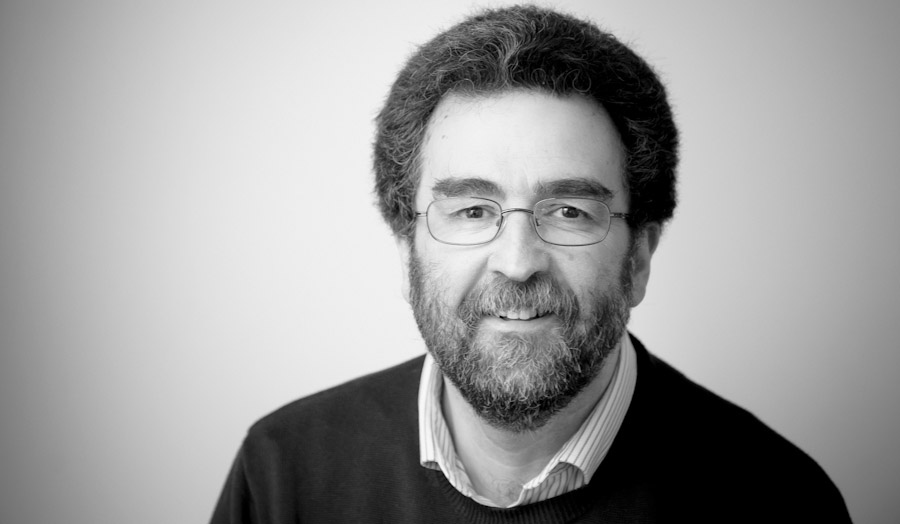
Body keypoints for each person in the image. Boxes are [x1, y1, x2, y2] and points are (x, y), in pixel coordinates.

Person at [210, 5, 851, 522]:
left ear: (639, 257)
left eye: (569, 211)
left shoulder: (779, 501)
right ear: (407, 249)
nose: (517, 264)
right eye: (471, 211)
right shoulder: (283, 472)